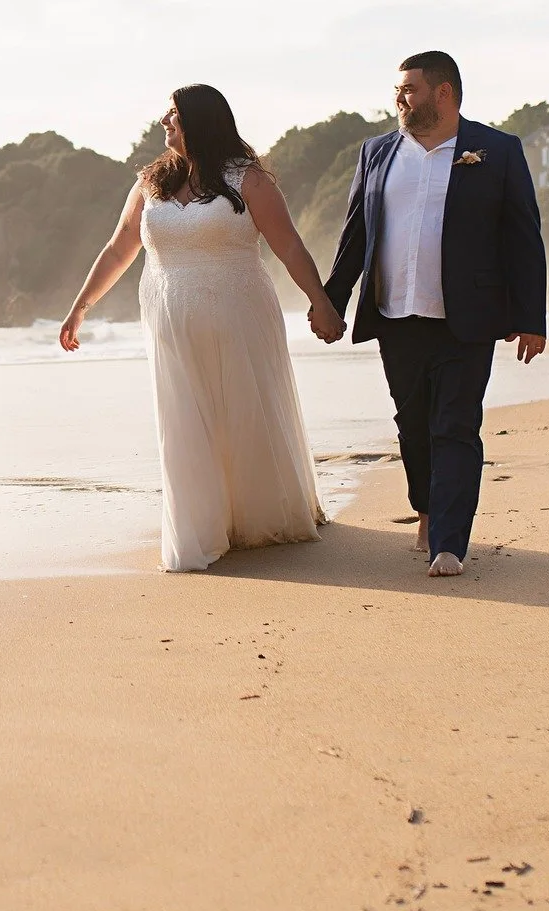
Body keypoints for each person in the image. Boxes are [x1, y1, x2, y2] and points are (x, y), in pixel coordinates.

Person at [60, 84, 344, 571]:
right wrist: (80, 306)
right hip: (170, 316)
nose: (164, 123)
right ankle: (201, 526)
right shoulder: (151, 181)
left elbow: (289, 246)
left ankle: (257, 516)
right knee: (185, 420)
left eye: (173, 115)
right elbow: (119, 248)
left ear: (200, 121)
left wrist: (320, 303)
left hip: (240, 313)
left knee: (246, 409)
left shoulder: (248, 180)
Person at [312, 51, 547, 577]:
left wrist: (532, 317)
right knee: (413, 426)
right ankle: (427, 507)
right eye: (398, 90)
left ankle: (450, 541)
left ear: (444, 93)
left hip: (468, 320)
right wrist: (329, 302)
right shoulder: (376, 153)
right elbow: (355, 237)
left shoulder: (497, 150)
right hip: (396, 317)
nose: (399, 99)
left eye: (410, 89)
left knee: (456, 427)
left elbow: (523, 239)